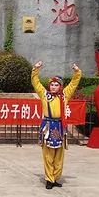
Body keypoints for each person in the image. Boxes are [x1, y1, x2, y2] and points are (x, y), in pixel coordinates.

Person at [31, 61, 82, 189]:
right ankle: (49, 179)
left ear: (60, 87)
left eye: (56, 85)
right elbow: (35, 83)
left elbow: (74, 83)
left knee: (59, 155)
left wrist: (77, 72)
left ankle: (55, 177)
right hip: (48, 126)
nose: (54, 87)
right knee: (48, 155)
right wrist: (35, 69)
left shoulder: (64, 95)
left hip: (59, 126)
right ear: (49, 86)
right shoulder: (44, 95)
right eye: (52, 85)